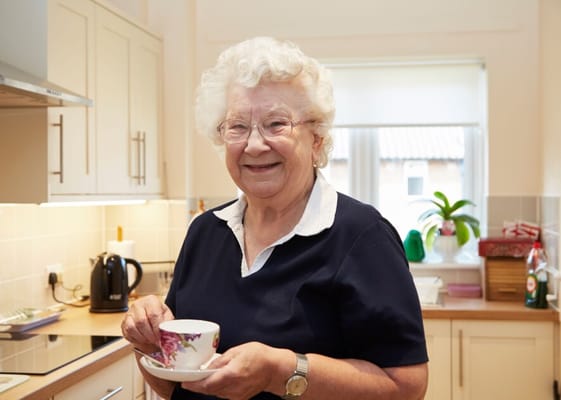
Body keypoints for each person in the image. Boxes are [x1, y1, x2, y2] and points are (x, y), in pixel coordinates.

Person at [121, 36, 428, 400]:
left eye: (276, 124)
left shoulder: (362, 235)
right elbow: (176, 386)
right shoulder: (205, 232)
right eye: (237, 126)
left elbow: (405, 388)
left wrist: (280, 370)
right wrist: (147, 343)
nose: (254, 145)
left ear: (316, 138)